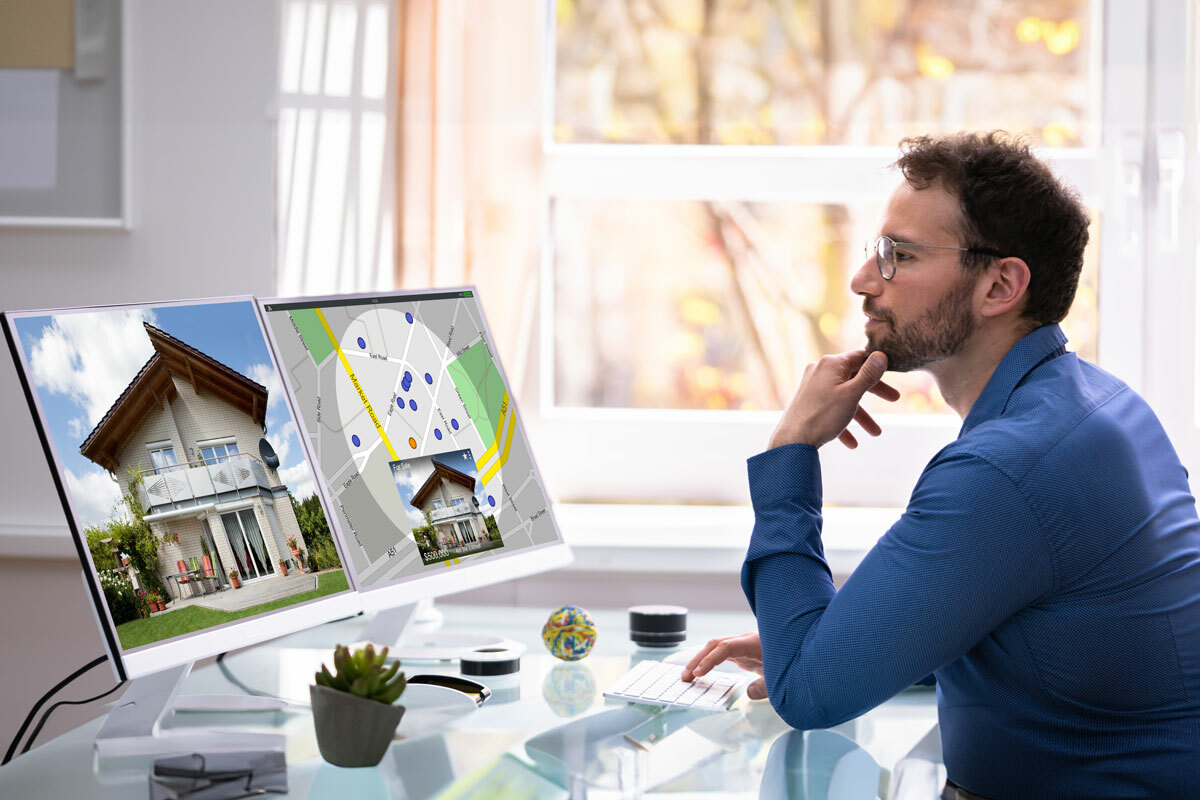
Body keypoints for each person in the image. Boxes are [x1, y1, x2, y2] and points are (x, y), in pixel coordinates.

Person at [681, 132, 1200, 799]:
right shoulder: (1103, 406)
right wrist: (856, 643)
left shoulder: (1004, 471)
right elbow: (1071, 641)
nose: (863, 280)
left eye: (899, 255)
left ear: (1000, 286)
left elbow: (809, 696)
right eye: (876, 250)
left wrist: (792, 450)